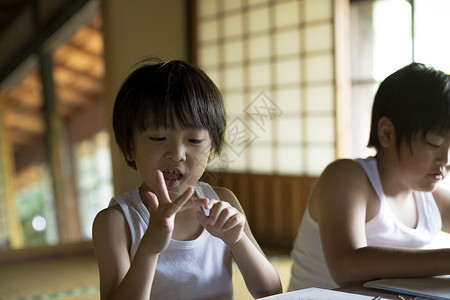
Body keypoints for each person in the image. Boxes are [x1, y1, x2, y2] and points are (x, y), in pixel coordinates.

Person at [92, 58, 282, 299]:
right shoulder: (116, 222)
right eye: (159, 138)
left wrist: (237, 240)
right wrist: (149, 249)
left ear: (211, 150)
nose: (177, 154)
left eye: (194, 141)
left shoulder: (222, 201)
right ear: (130, 147)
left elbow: (272, 291)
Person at [289, 62, 450, 290]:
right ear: (387, 133)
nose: (446, 159)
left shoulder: (434, 201)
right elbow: (346, 266)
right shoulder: (347, 177)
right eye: (435, 143)